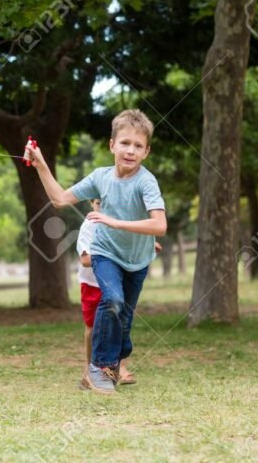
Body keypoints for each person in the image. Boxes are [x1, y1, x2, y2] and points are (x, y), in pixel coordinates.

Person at [28, 109, 167, 394]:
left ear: (146, 151)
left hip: (138, 261)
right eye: (125, 143)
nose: (130, 151)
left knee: (124, 320)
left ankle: (114, 360)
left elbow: (160, 225)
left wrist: (114, 222)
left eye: (138, 146)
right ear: (112, 144)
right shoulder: (100, 178)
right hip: (106, 253)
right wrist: (41, 162)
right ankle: (99, 368)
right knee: (113, 300)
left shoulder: (146, 182)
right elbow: (59, 199)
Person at [76, 199, 135, 388]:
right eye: (98, 202)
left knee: (119, 323)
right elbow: (85, 260)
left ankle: (120, 368)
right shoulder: (89, 226)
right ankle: (90, 367)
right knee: (93, 327)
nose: (102, 207)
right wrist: (111, 257)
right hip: (92, 283)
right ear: (91, 203)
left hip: (116, 281)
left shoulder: (118, 222)